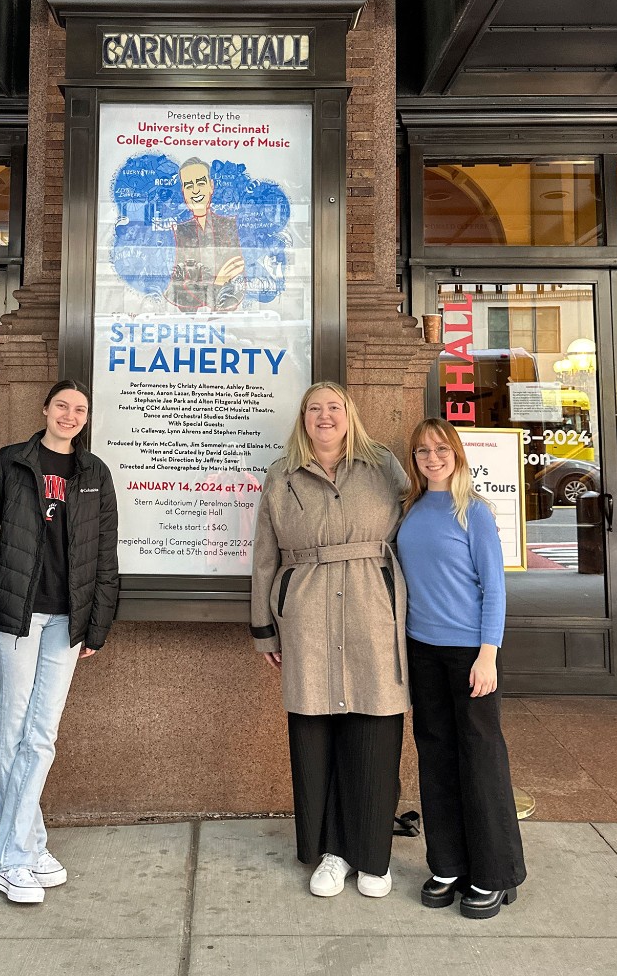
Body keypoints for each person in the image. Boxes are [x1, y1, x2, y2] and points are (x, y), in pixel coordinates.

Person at [250, 381, 410, 898]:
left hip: (371, 607)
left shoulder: (382, 465)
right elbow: (264, 555)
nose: (325, 416)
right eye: (314, 408)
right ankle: (330, 852)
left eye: (333, 407)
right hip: (306, 614)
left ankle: (372, 855)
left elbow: (416, 529)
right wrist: (263, 627)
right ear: (302, 418)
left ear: (350, 415)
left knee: (375, 728)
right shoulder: (282, 475)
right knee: (314, 732)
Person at [0, 379, 119, 905]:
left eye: (79, 409)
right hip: (15, 613)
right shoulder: (12, 462)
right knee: (12, 728)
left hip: (66, 620)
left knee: (42, 734)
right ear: (45, 409)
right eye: (62, 405)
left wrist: (96, 625)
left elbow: (106, 555)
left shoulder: (94, 473)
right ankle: (13, 857)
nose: (70, 415)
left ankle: (26, 843)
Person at [397, 417, 526, 919]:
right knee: (435, 757)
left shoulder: (473, 512)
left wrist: (488, 654)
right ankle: (447, 863)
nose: (432, 457)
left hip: (471, 654)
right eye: (422, 450)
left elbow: (494, 589)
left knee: (481, 760)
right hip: (423, 651)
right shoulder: (410, 511)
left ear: (456, 453)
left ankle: (494, 873)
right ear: (414, 459)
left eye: (440, 448)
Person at [168, 156, 245, 311]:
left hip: (228, 314)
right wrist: (218, 283)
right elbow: (174, 290)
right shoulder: (177, 231)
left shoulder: (229, 226)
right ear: (183, 192)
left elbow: (239, 277)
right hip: (187, 318)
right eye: (189, 186)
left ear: (211, 186)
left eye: (201, 183)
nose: (195, 190)